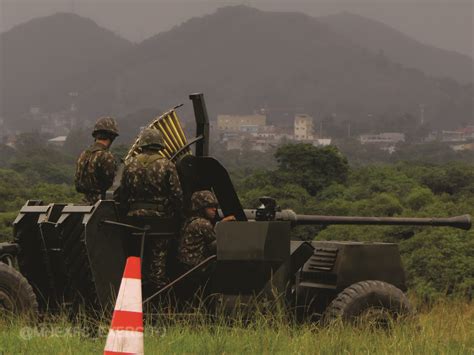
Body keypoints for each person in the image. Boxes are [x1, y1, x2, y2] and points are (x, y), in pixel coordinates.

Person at [120, 128, 183, 289]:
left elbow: (122, 194)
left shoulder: (130, 165)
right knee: (158, 259)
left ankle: (133, 289)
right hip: (159, 220)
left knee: (135, 257)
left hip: (133, 220)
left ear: (142, 145)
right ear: (159, 145)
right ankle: (157, 293)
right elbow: (177, 195)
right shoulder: (167, 165)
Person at [178, 190, 235, 270]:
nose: (214, 209)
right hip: (198, 265)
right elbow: (215, 247)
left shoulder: (190, 220)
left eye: (215, 206)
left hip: (187, 264)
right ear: (201, 207)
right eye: (210, 206)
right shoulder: (203, 223)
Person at [75, 117, 118, 204]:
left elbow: (77, 181)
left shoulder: (83, 154)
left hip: (83, 203)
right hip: (100, 204)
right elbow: (110, 183)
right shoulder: (106, 156)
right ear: (111, 137)